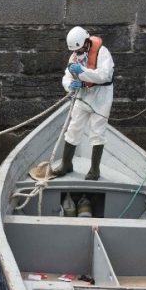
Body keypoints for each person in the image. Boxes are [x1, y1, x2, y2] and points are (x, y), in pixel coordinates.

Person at [49, 26, 114, 181]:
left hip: (101, 96)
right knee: (73, 128)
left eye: (79, 50)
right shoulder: (74, 57)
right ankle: (66, 164)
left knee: (97, 131)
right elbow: (67, 76)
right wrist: (70, 85)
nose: (78, 54)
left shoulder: (102, 52)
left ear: (86, 42)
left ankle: (94, 169)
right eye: (75, 51)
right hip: (83, 94)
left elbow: (105, 75)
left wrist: (83, 73)